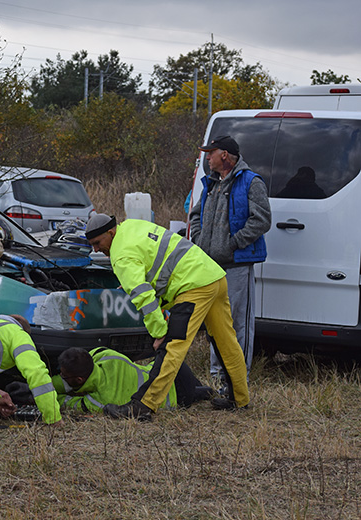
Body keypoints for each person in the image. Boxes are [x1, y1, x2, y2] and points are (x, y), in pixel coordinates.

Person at [84, 214, 250, 421]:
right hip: (213, 277)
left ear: (111, 232)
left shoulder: (120, 255)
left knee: (172, 347)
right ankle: (240, 399)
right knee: (226, 343)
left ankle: (143, 405)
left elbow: (144, 298)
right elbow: (152, 259)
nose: (96, 250)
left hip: (192, 286)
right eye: (92, 245)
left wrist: (159, 331)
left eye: (98, 243)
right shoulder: (132, 225)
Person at [189, 135, 271, 381]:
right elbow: (195, 213)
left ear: (224, 155)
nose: (207, 158)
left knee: (237, 323)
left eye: (210, 153)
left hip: (237, 264)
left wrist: (233, 243)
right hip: (211, 266)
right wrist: (200, 239)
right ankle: (217, 375)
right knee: (216, 322)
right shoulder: (211, 183)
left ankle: (236, 377)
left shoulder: (250, 182)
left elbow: (262, 220)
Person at [48, 347, 213, 414]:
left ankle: (205, 392)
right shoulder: (105, 355)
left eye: (64, 376)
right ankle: (207, 391)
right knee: (201, 390)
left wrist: (44, 390)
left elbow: (66, 402)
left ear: (79, 379)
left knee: (196, 394)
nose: (61, 377)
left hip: (179, 395)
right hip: (172, 369)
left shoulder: (101, 400)